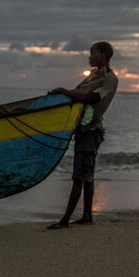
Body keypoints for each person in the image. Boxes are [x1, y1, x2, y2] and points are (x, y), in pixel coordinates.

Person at [47, 41, 118, 229]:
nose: (89, 57)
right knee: (87, 175)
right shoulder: (93, 76)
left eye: (92, 54)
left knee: (80, 176)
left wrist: (64, 91)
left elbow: (91, 98)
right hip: (84, 130)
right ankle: (87, 215)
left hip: (91, 131)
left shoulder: (111, 79)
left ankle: (65, 220)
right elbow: (77, 92)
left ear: (103, 55)